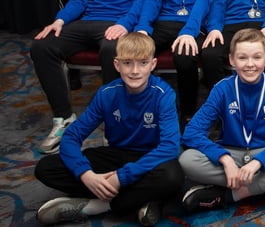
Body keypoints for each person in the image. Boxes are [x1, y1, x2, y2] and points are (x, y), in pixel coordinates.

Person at [30, 0, 152, 154]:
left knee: (112, 49)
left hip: (118, 23)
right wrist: (60, 20)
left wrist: (123, 24)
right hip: (87, 21)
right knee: (42, 46)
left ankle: (114, 121)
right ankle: (63, 118)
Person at [34, 33, 183, 226]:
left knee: (174, 176)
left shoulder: (164, 95)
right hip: (115, 156)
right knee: (46, 168)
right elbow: (71, 136)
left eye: (143, 63)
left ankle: (96, 206)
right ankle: (143, 198)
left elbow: (170, 147)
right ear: (116, 65)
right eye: (127, 63)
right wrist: (86, 175)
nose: (135, 71)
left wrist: (122, 177)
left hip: (149, 160)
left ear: (153, 65)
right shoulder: (106, 94)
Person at [179, 29, 265, 212]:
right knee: (187, 160)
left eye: (257, 57)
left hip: (264, 153)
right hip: (230, 152)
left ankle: (230, 194)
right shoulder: (222, 89)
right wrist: (225, 159)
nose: (250, 64)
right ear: (232, 60)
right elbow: (191, 132)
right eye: (242, 58)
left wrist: (259, 162)